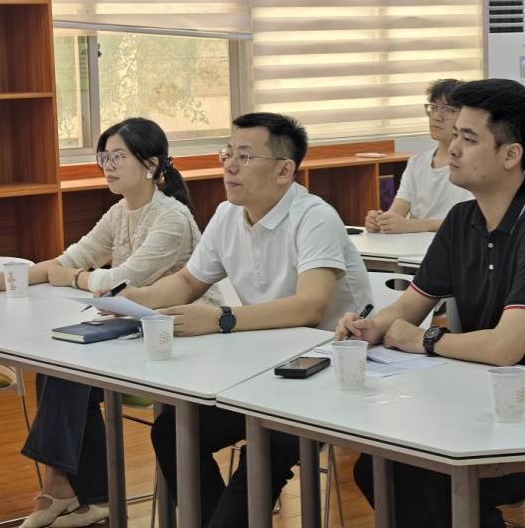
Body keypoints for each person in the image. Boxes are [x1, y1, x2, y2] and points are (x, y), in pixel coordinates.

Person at [336, 78, 525, 528]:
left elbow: (505, 348)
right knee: (380, 468)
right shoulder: (462, 219)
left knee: (438, 480)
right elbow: (409, 307)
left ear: (510, 155)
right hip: (480, 400)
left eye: (469, 138)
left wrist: (424, 340)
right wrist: (372, 328)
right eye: (455, 135)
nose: (453, 148)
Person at [118, 112, 373, 527]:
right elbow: (187, 282)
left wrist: (221, 319)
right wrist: (133, 298)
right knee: (172, 431)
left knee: (265, 448)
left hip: (324, 374)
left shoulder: (314, 217)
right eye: (228, 153)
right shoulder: (227, 215)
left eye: (245, 156)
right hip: (261, 371)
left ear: (284, 170)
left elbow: (310, 306)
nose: (230, 166)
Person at [0, 117, 216, 528]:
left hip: (182, 335)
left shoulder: (171, 218)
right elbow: (70, 260)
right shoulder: (120, 212)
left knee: (68, 370)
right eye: (104, 157)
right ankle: (87, 494)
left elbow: (119, 281)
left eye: (118, 157)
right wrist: (10, 276)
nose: (108, 166)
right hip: (135, 328)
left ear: (152, 165)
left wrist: (76, 279)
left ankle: (64, 488)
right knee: (58, 366)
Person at [365, 79, 471, 233]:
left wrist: (417, 225)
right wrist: (380, 221)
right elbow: (397, 212)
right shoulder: (417, 163)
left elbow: (470, 221)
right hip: (415, 244)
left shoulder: (473, 166)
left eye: (448, 110)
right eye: (433, 107)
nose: (437, 116)